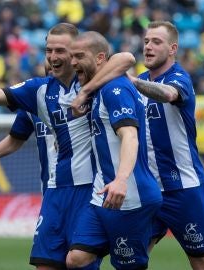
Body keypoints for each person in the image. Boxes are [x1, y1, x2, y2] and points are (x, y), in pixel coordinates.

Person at [0, 23, 135, 269]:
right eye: (49, 50)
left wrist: (86, 90)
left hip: (90, 189)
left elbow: (126, 58)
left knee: (78, 263)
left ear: (78, 52)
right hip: (54, 191)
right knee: (44, 265)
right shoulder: (39, 90)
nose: (53, 57)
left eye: (60, 51)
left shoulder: (97, 80)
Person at [72, 21, 204, 270]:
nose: (148, 46)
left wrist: (134, 82)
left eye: (156, 42)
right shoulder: (135, 80)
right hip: (146, 191)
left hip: (181, 187)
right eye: (146, 41)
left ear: (173, 49)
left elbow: (169, 94)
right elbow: (122, 59)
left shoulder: (178, 78)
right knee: (124, 260)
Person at [66, 31, 162, 270]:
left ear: (100, 58)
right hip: (103, 194)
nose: (73, 62)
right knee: (76, 259)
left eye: (79, 56)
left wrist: (121, 179)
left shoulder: (114, 89)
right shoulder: (98, 88)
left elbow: (130, 135)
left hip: (128, 196)